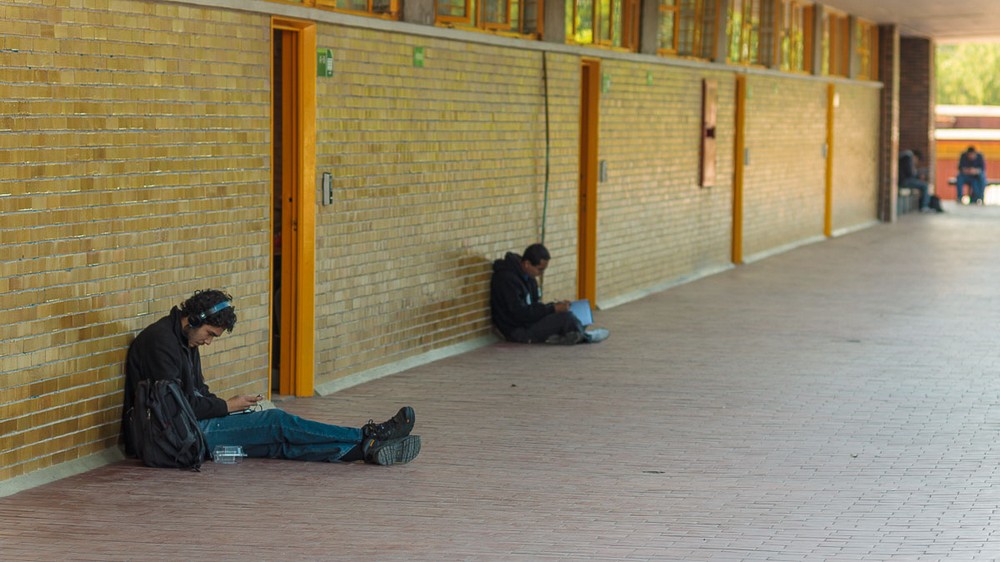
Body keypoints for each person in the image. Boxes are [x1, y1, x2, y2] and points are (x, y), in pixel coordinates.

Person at [121, 289, 420, 466]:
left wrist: (226, 405)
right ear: (196, 319)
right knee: (276, 423)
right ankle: (368, 435)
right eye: (210, 334)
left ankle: (363, 451)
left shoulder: (184, 338)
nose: (209, 342)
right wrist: (228, 406)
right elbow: (178, 409)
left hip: (188, 429)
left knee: (279, 444)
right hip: (173, 439)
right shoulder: (161, 343)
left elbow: (197, 392)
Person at [490, 243, 608, 345]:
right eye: (540, 269)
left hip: (529, 322)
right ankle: (585, 337)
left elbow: (534, 306)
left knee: (570, 312)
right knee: (566, 318)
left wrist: (554, 307)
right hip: (518, 330)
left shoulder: (528, 278)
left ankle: (572, 334)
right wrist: (552, 309)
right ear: (527, 264)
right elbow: (519, 313)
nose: (541, 274)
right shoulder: (506, 280)